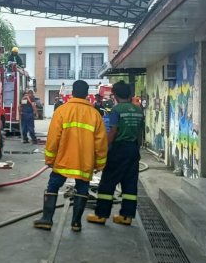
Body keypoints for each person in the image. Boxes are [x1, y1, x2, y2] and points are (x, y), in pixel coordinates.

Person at [34, 80, 108, 233]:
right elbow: (101, 143)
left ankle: (47, 220)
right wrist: (99, 164)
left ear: (72, 93)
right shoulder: (95, 114)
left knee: (53, 186)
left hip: (63, 161)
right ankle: (76, 223)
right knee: (82, 190)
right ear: (87, 94)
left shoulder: (61, 111)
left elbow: (53, 138)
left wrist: (49, 159)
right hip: (84, 163)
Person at [89, 81, 144, 226]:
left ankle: (101, 215)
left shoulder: (116, 110)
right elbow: (140, 133)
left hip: (119, 149)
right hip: (133, 150)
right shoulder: (138, 110)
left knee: (108, 181)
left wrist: (104, 149)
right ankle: (126, 216)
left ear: (116, 95)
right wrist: (136, 149)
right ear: (129, 94)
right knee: (130, 183)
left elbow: (113, 131)